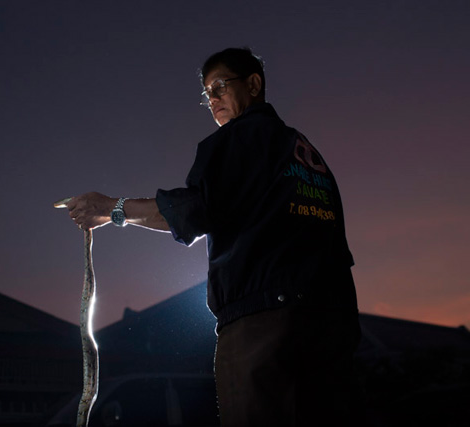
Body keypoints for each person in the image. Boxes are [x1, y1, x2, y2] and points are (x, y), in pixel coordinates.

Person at [63, 47, 360, 426]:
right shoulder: (304, 154)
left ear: (253, 84)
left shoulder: (238, 138)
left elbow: (197, 210)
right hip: (332, 325)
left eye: (220, 86)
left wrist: (113, 209)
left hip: (264, 326)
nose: (213, 100)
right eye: (207, 94)